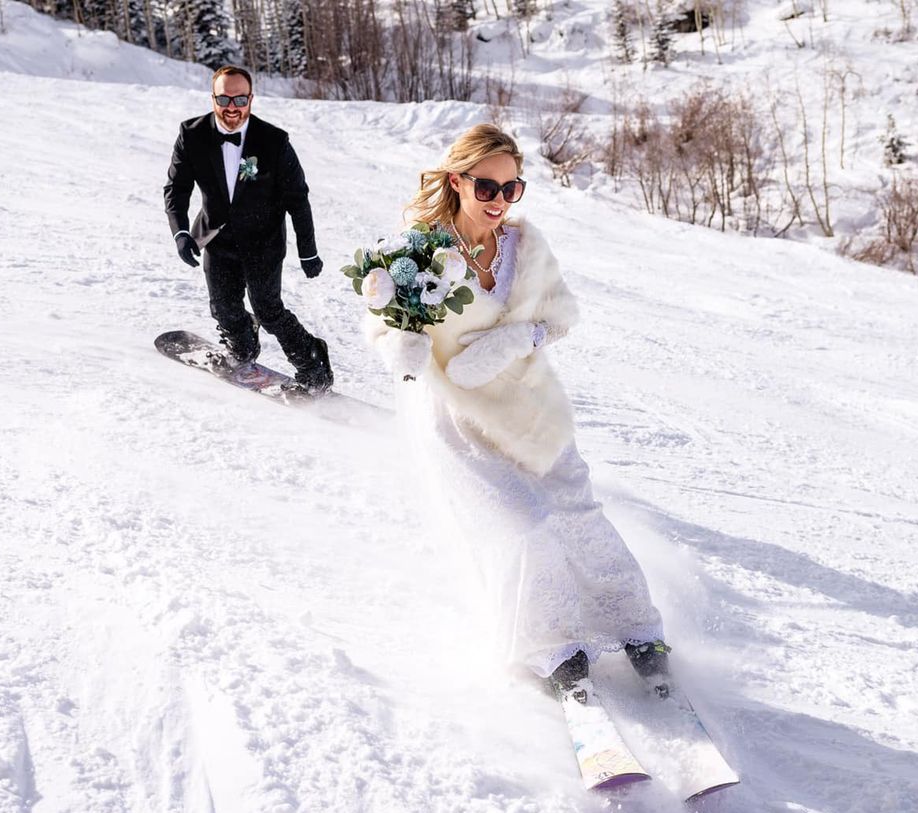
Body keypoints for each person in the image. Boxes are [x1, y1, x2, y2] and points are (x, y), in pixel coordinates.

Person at [363, 124, 674, 701]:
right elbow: (385, 324)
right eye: (487, 188)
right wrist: (400, 348)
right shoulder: (418, 251)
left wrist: (512, 341)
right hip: (459, 419)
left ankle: (636, 629)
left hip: (529, 404)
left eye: (512, 189)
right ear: (457, 182)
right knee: (522, 528)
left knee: (578, 512)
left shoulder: (526, 246)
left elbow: (561, 317)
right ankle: (549, 648)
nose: (500, 203)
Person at [164, 65, 333, 394]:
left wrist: (308, 251)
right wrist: (181, 232)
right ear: (213, 98)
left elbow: (297, 199)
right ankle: (241, 348)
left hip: (263, 241)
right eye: (224, 98)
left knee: (268, 309)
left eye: (240, 98)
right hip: (216, 238)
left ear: (251, 98)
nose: (232, 106)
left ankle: (314, 366)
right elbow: (176, 188)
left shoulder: (274, 141)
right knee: (223, 306)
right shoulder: (192, 134)